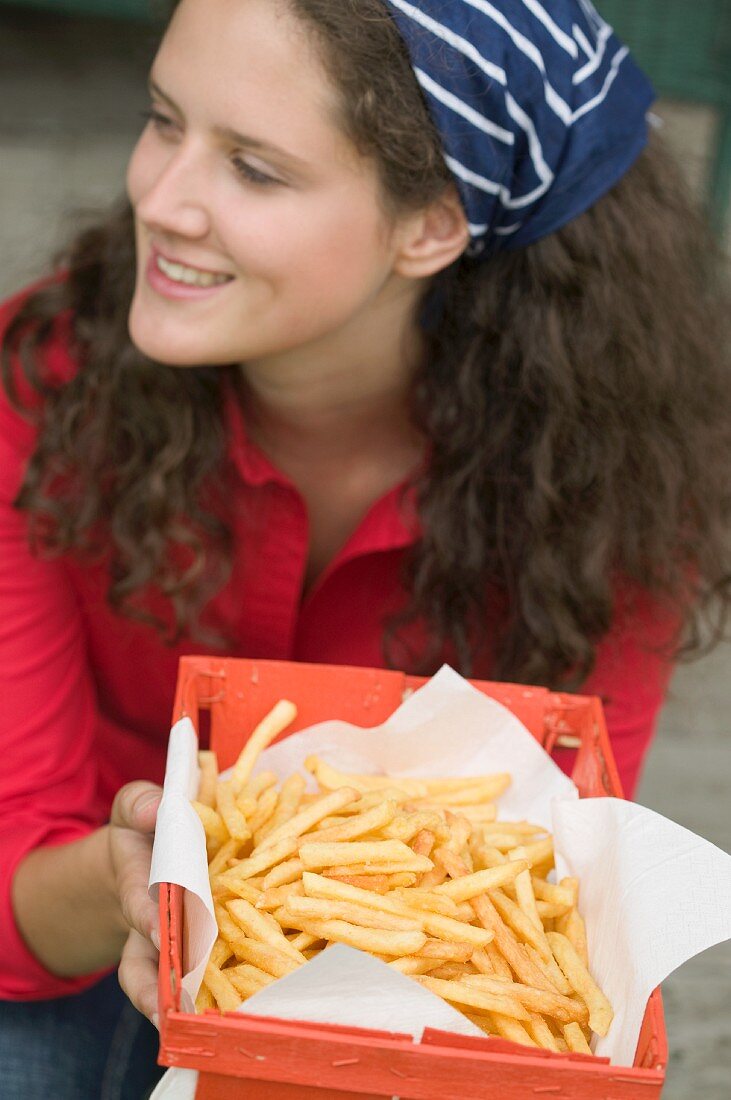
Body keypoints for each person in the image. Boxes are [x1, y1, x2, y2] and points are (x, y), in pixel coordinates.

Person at [1, 0, 729, 1094]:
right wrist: (127, 881)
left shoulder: (617, 477)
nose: (157, 197)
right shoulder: (36, 386)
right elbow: (11, 875)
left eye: (252, 168)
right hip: (66, 934)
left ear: (429, 225)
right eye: (163, 120)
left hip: (398, 1023)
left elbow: (548, 884)